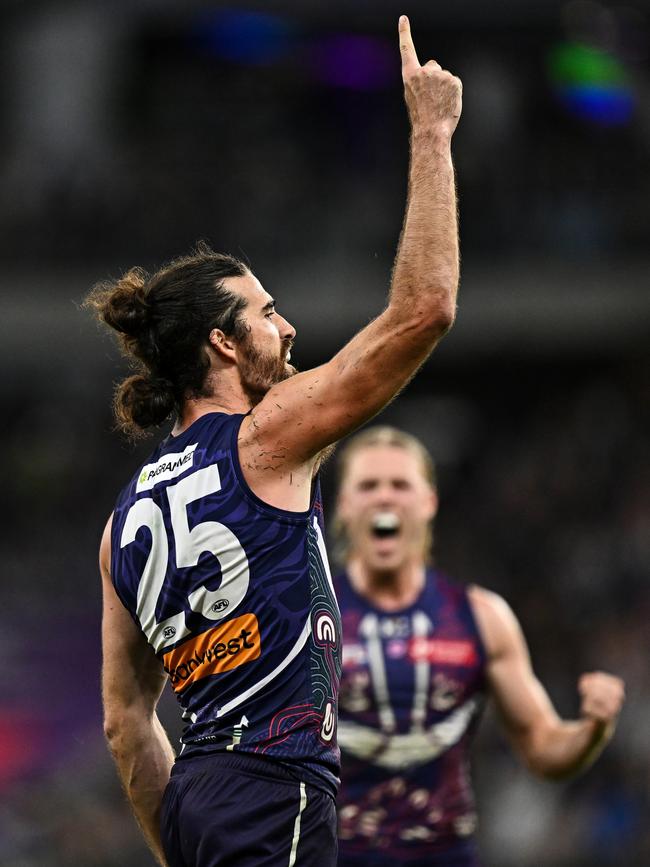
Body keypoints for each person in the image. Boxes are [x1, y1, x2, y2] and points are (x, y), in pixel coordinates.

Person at [86, 17, 463, 867]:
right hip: (274, 789)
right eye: (264, 312)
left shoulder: (123, 524)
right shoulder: (265, 438)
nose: (287, 329)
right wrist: (432, 132)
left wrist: (185, 841)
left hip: (204, 800)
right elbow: (423, 310)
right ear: (222, 343)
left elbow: (124, 723)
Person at [333, 425, 625, 867]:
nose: (385, 498)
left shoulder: (481, 617)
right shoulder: (307, 617)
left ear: (429, 501)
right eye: (368, 485)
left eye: (400, 485)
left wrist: (592, 730)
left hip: (445, 856)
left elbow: (543, 747)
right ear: (344, 504)